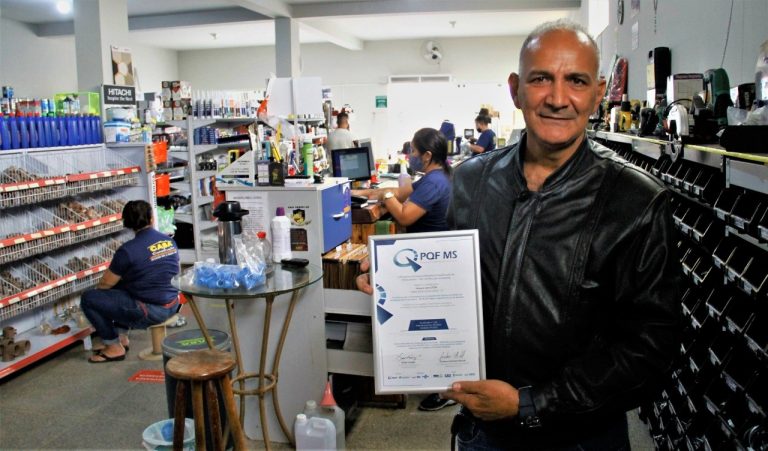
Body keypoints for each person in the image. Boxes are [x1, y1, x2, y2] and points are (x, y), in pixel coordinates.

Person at [358, 19, 679, 449]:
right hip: (481, 432)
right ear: (516, 89)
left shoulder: (636, 202)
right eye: (541, 78)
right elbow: (452, 279)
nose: (558, 98)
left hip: (581, 438)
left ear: (599, 92)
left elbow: (651, 351)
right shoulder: (471, 181)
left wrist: (531, 404)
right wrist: (395, 279)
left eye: (577, 81)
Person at [80, 200, 181, 363]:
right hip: (173, 303)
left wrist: (103, 301)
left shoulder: (128, 250)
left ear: (127, 224)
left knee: (89, 299)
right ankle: (122, 337)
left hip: (151, 311)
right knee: (123, 285)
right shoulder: (169, 241)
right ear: (151, 219)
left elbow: (105, 284)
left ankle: (113, 346)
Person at [353, 127, 451, 234]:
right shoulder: (438, 175)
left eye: (413, 151)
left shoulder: (432, 183)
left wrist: (387, 196)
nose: (409, 156)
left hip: (426, 246)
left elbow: (404, 217)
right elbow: (400, 193)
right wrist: (356, 193)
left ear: (427, 155)